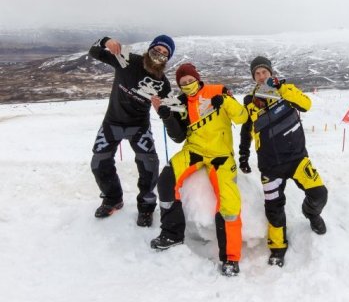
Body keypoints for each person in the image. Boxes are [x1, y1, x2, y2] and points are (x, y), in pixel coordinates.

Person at [150, 63, 248, 276]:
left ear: (197, 78)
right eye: (182, 83)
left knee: (229, 202)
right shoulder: (181, 102)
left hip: (221, 155)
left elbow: (242, 117)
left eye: (190, 80)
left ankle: (230, 258)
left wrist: (226, 102)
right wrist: (166, 116)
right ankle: (172, 234)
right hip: (194, 150)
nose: (187, 85)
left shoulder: (218, 91)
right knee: (166, 180)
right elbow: (178, 136)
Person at [238, 56, 328, 267]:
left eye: (264, 72)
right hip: (270, 165)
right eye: (257, 74)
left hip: (297, 158)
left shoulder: (285, 90)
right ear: (254, 77)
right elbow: (245, 132)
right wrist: (243, 156)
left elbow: (306, 104)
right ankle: (278, 248)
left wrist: (282, 88)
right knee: (274, 209)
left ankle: (311, 214)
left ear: (270, 72)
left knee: (319, 193)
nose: (261, 76)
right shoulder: (251, 103)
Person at [89, 34, 174, 227]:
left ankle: (146, 207)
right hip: (112, 122)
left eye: (164, 53)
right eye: (157, 49)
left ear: (167, 59)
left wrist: (164, 110)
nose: (159, 54)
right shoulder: (126, 60)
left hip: (139, 127)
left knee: (150, 165)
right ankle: (112, 199)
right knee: (99, 162)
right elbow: (94, 51)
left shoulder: (162, 83)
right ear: (150, 48)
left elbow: (169, 108)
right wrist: (105, 41)